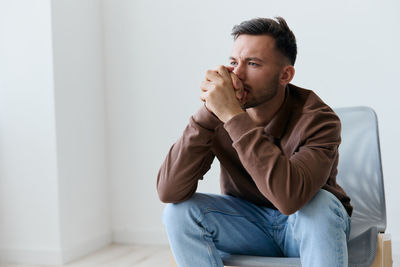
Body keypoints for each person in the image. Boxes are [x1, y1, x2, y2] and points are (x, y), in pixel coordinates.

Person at [157, 17, 352, 267]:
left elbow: (290, 200)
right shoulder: (219, 114)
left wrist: (234, 117)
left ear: (285, 75)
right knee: (177, 214)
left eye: (252, 64)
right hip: (249, 227)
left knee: (320, 204)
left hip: (306, 226)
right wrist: (207, 114)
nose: (237, 74)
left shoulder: (319, 119)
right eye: (233, 62)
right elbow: (169, 191)